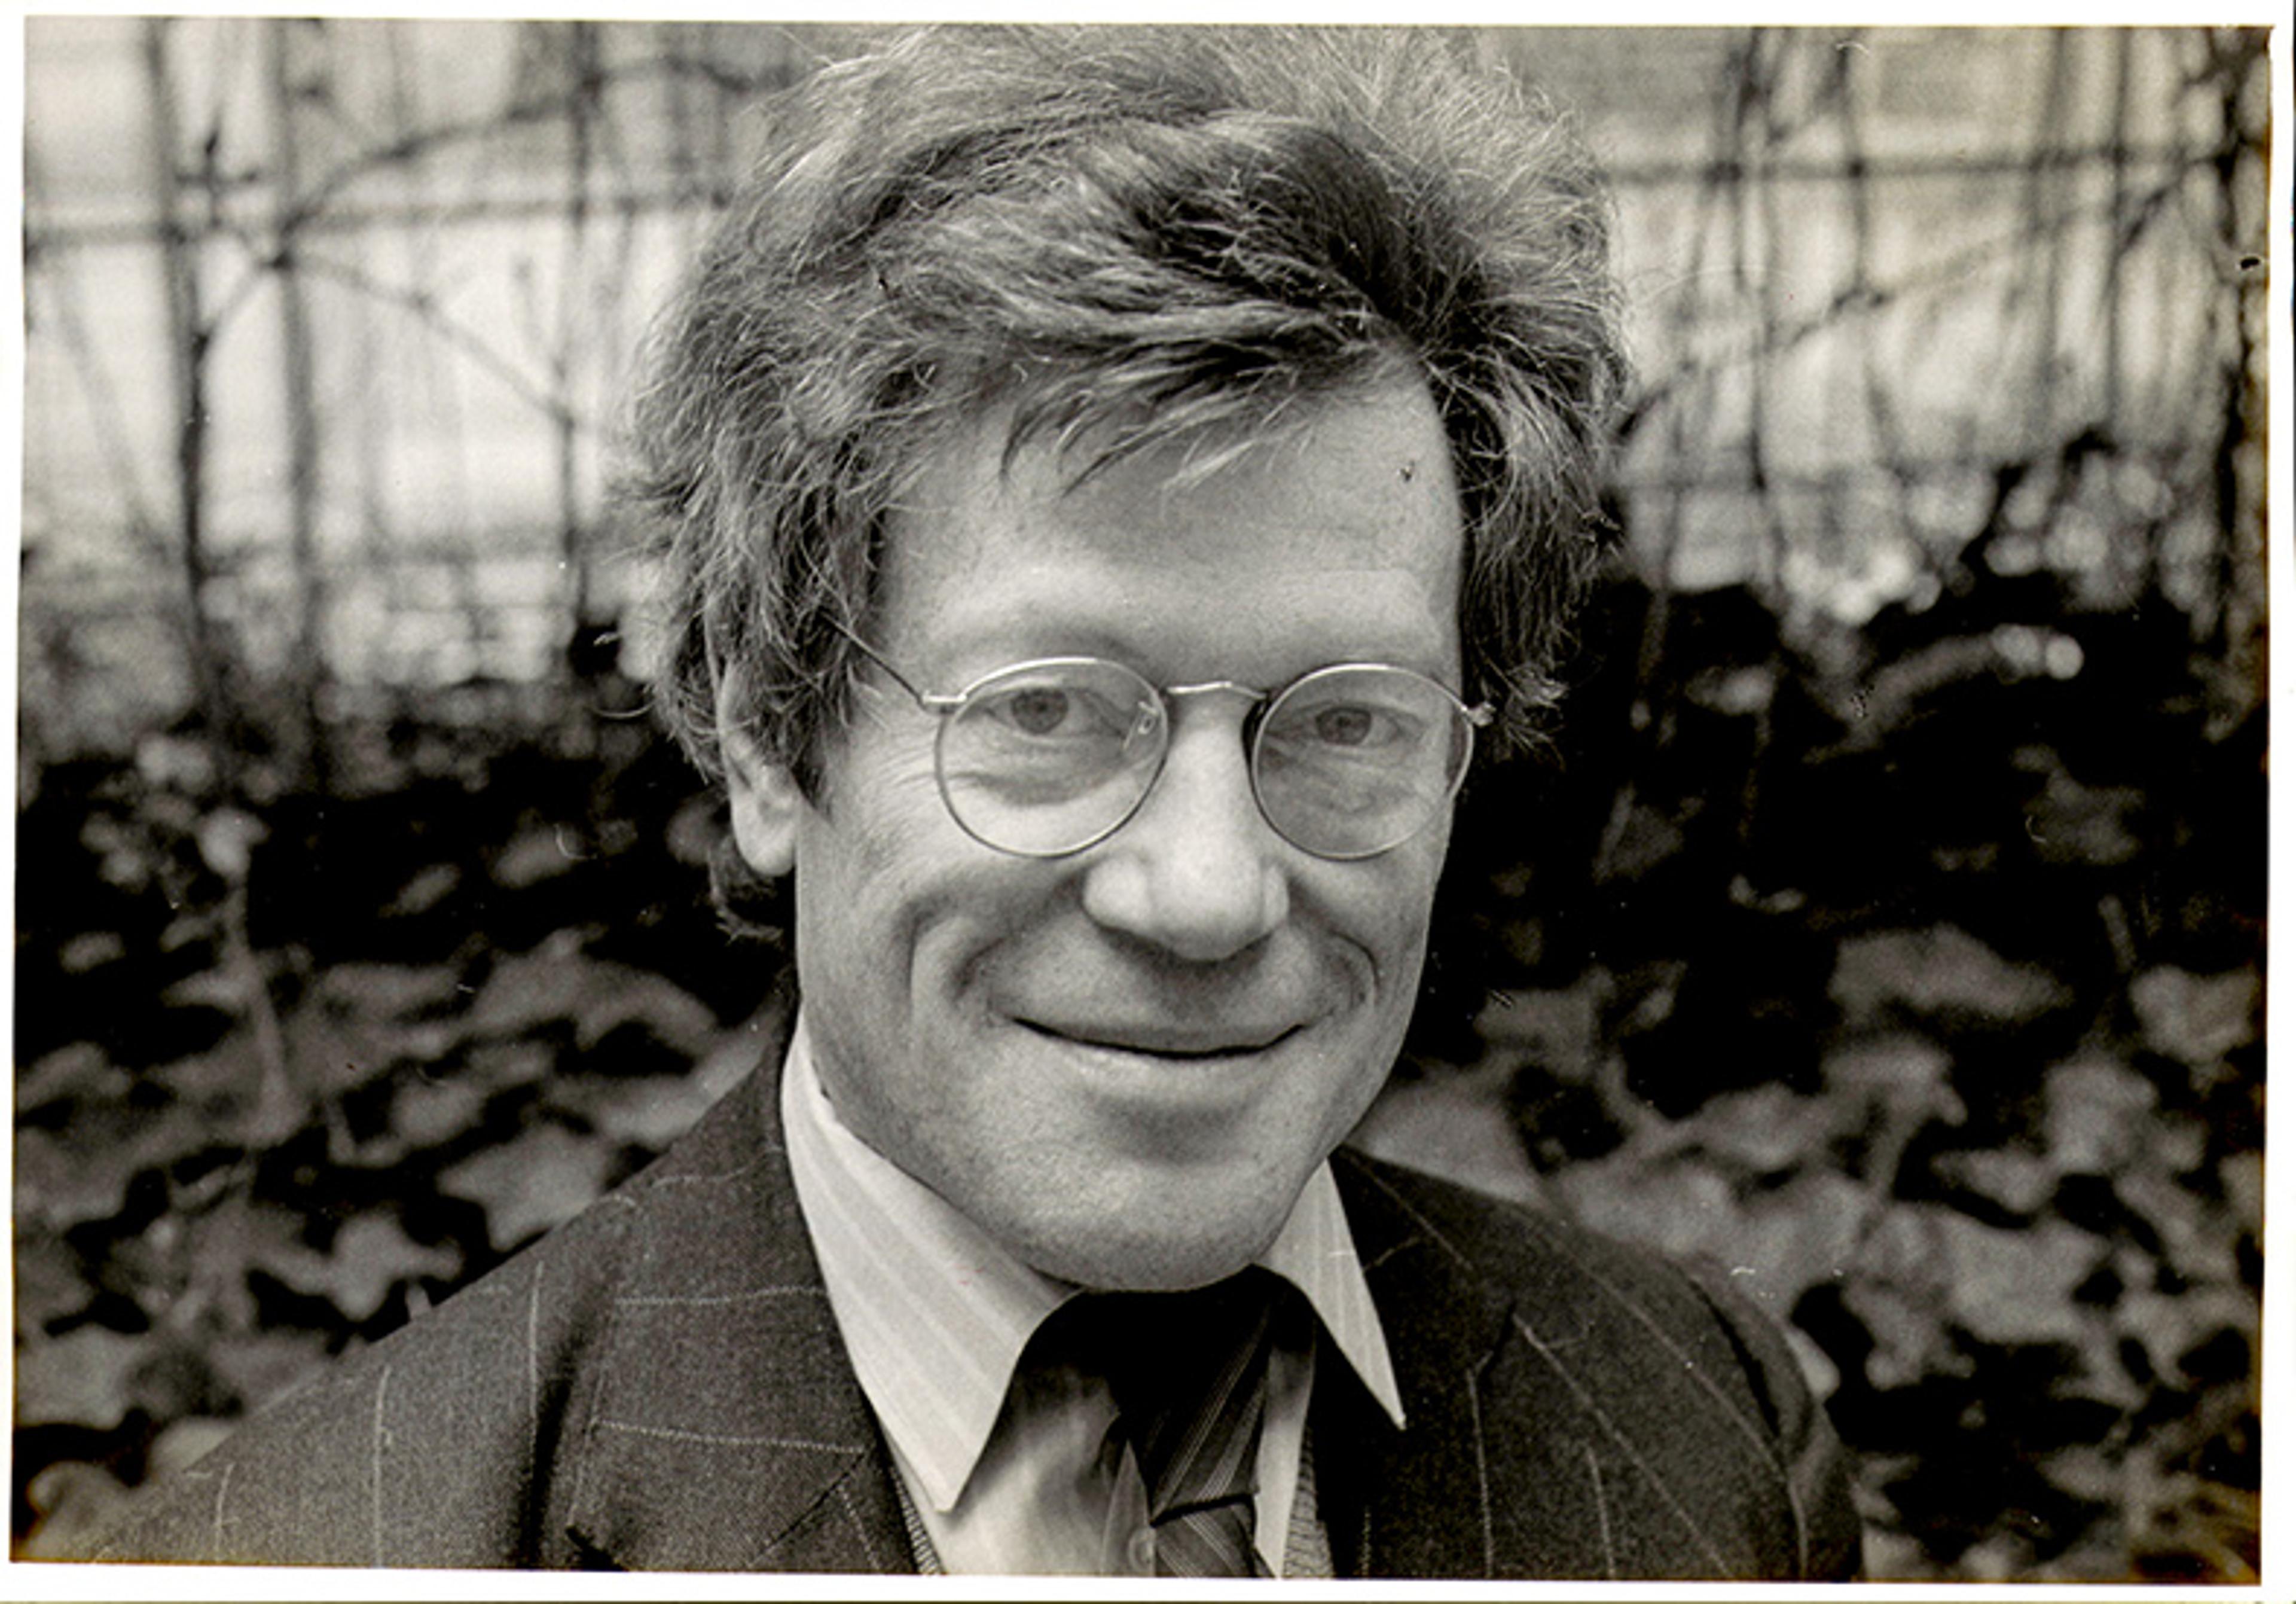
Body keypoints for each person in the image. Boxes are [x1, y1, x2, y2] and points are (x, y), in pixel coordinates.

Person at [84, 26, 1861, 1578]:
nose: (1208, 892)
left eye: (1343, 724)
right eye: (1047, 713)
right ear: (771, 734)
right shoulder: (327, 1547)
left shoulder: (1700, 1424)